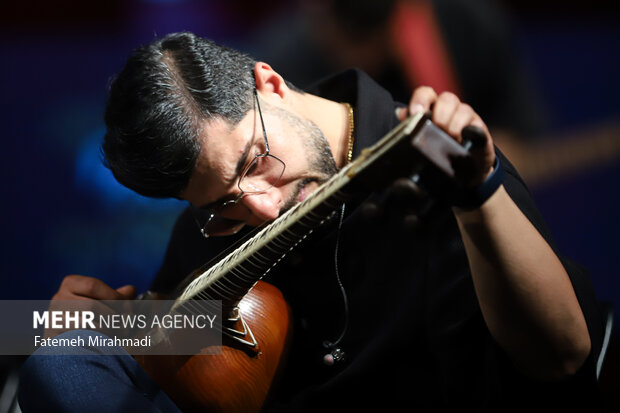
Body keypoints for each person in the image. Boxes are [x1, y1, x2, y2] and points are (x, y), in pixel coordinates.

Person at [18, 31, 604, 412]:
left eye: (255, 162)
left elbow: (564, 357)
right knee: (60, 360)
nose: (263, 209)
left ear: (269, 85)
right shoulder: (219, 225)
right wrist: (71, 322)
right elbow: (165, 338)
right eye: (220, 203)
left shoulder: (432, 162)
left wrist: (479, 194)